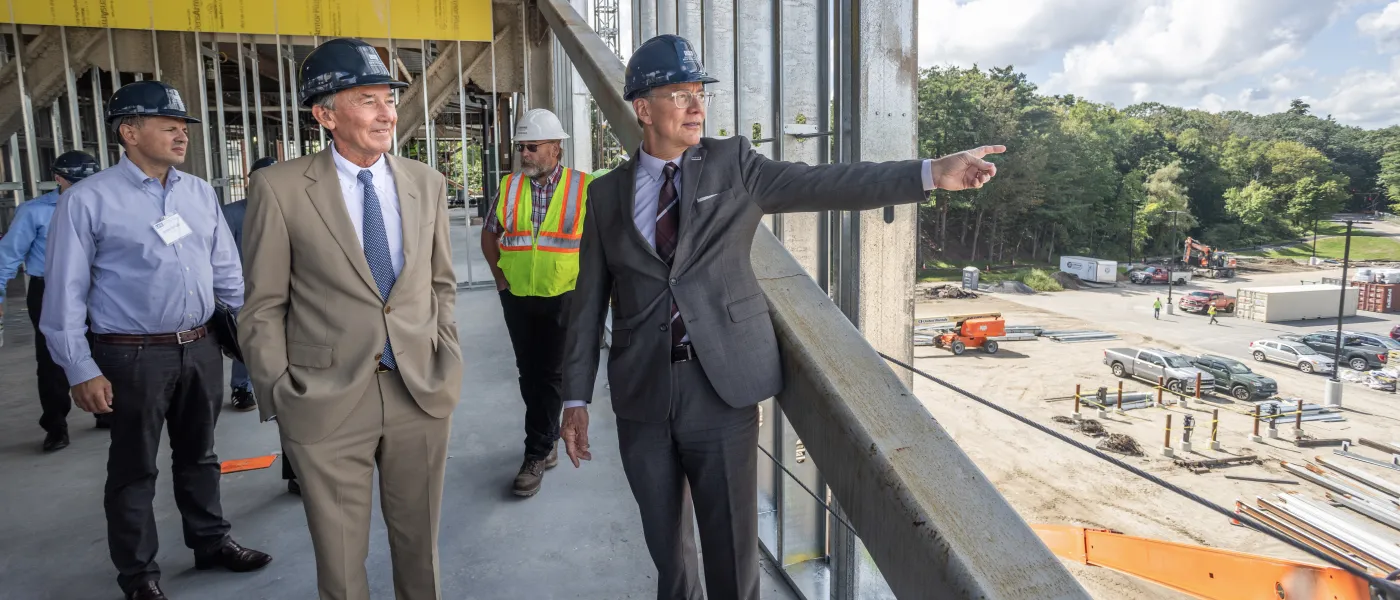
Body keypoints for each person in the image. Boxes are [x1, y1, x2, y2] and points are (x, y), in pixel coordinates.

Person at [558, 34, 1004, 600]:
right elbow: (587, 301)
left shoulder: (732, 165)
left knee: (733, 556)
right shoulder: (605, 196)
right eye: (680, 95)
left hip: (720, 390)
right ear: (643, 109)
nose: (698, 107)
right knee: (667, 554)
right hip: (641, 394)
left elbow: (827, 183)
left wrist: (928, 173)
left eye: (701, 94)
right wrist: (574, 399)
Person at [239, 38, 463, 600]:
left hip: (419, 390)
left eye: (388, 98)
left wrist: (447, 358)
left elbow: (441, 285)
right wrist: (280, 391)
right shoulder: (282, 188)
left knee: (421, 552)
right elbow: (263, 306)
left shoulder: (425, 183)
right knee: (340, 564)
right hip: (326, 399)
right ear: (325, 114)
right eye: (368, 99)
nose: (387, 111)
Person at [41, 80, 271, 600]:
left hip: (200, 345)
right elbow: (64, 295)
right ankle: (139, 573)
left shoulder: (196, 193)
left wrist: (250, 328)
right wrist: (80, 368)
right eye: (167, 125)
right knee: (133, 466)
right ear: (129, 131)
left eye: (183, 126)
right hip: (130, 354)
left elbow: (225, 271)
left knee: (201, 454)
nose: (180, 134)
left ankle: (211, 542)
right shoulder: (87, 200)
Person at [481, 108, 596, 497]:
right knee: (529, 372)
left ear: (556, 149)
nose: (524, 154)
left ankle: (538, 451)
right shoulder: (510, 187)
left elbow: (600, 245)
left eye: (532, 147)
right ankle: (544, 440)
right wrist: (500, 280)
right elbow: (489, 234)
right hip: (517, 297)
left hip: (563, 295)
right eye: (521, 148)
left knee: (548, 374)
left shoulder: (583, 188)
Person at [0, 151, 103, 451]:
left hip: (97, 286)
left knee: (106, 347)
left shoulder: (104, 205)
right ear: (58, 178)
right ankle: (56, 424)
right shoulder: (34, 212)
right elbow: (8, 256)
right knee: (52, 357)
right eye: (75, 182)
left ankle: (105, 411)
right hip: (50, 289)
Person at [219, 155, 276, 412]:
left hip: (283, 288)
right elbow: (219, 255)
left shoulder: (291, 210)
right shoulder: (231, 213)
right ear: (249, 182)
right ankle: (242, 388)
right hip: (244, 291)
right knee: (248, 339)